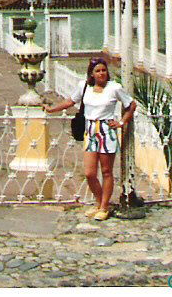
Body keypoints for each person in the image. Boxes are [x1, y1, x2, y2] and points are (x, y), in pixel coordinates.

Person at [43, 57, 135, 220]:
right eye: (97, 71)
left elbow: (131, 105)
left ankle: (104, 207)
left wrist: (121, 122)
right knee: (90, 173)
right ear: (91, 74)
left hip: (106, 130)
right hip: (90, 130)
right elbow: (70, 101)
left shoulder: (114, 88)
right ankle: (99, 202)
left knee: (106, 171)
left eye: (103, 70)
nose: (101, 74)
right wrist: (52, 109)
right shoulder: (84, 87)